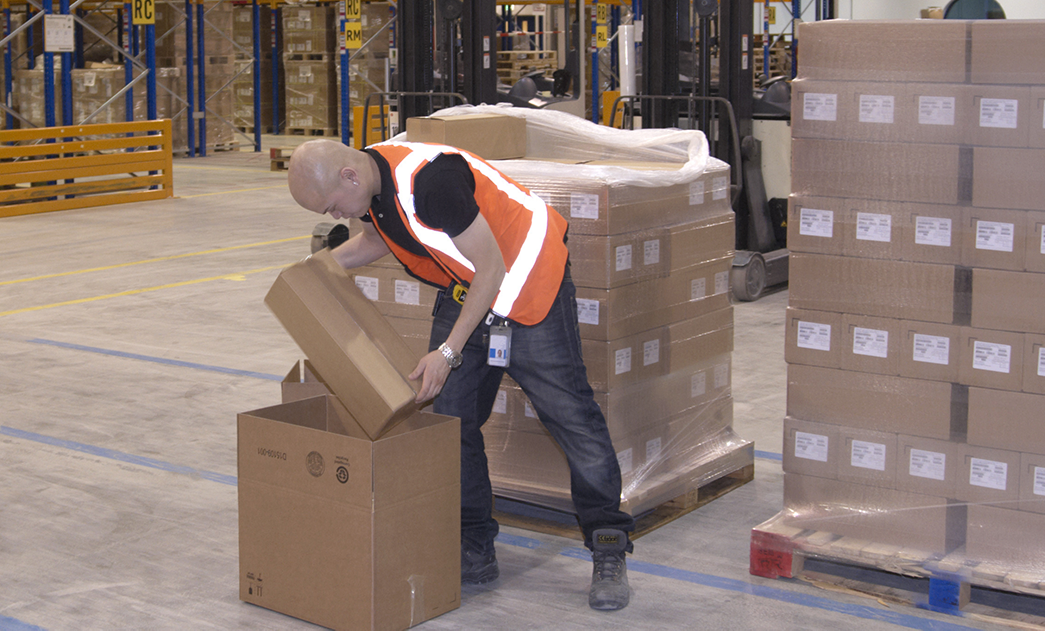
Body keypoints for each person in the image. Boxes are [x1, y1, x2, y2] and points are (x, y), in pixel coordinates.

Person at [287, 138, 635, 611]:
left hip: (528, 280)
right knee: (450, 420)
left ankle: (608, 543)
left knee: (569, 414)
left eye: (331, 207)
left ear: (349, 177)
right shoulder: (370, 184)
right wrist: (319, 267)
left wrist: (447, 352)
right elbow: (377, 237)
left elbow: (492, 269)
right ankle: (474, 543)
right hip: (469, 285)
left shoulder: (431, 183)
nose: (333, 217)